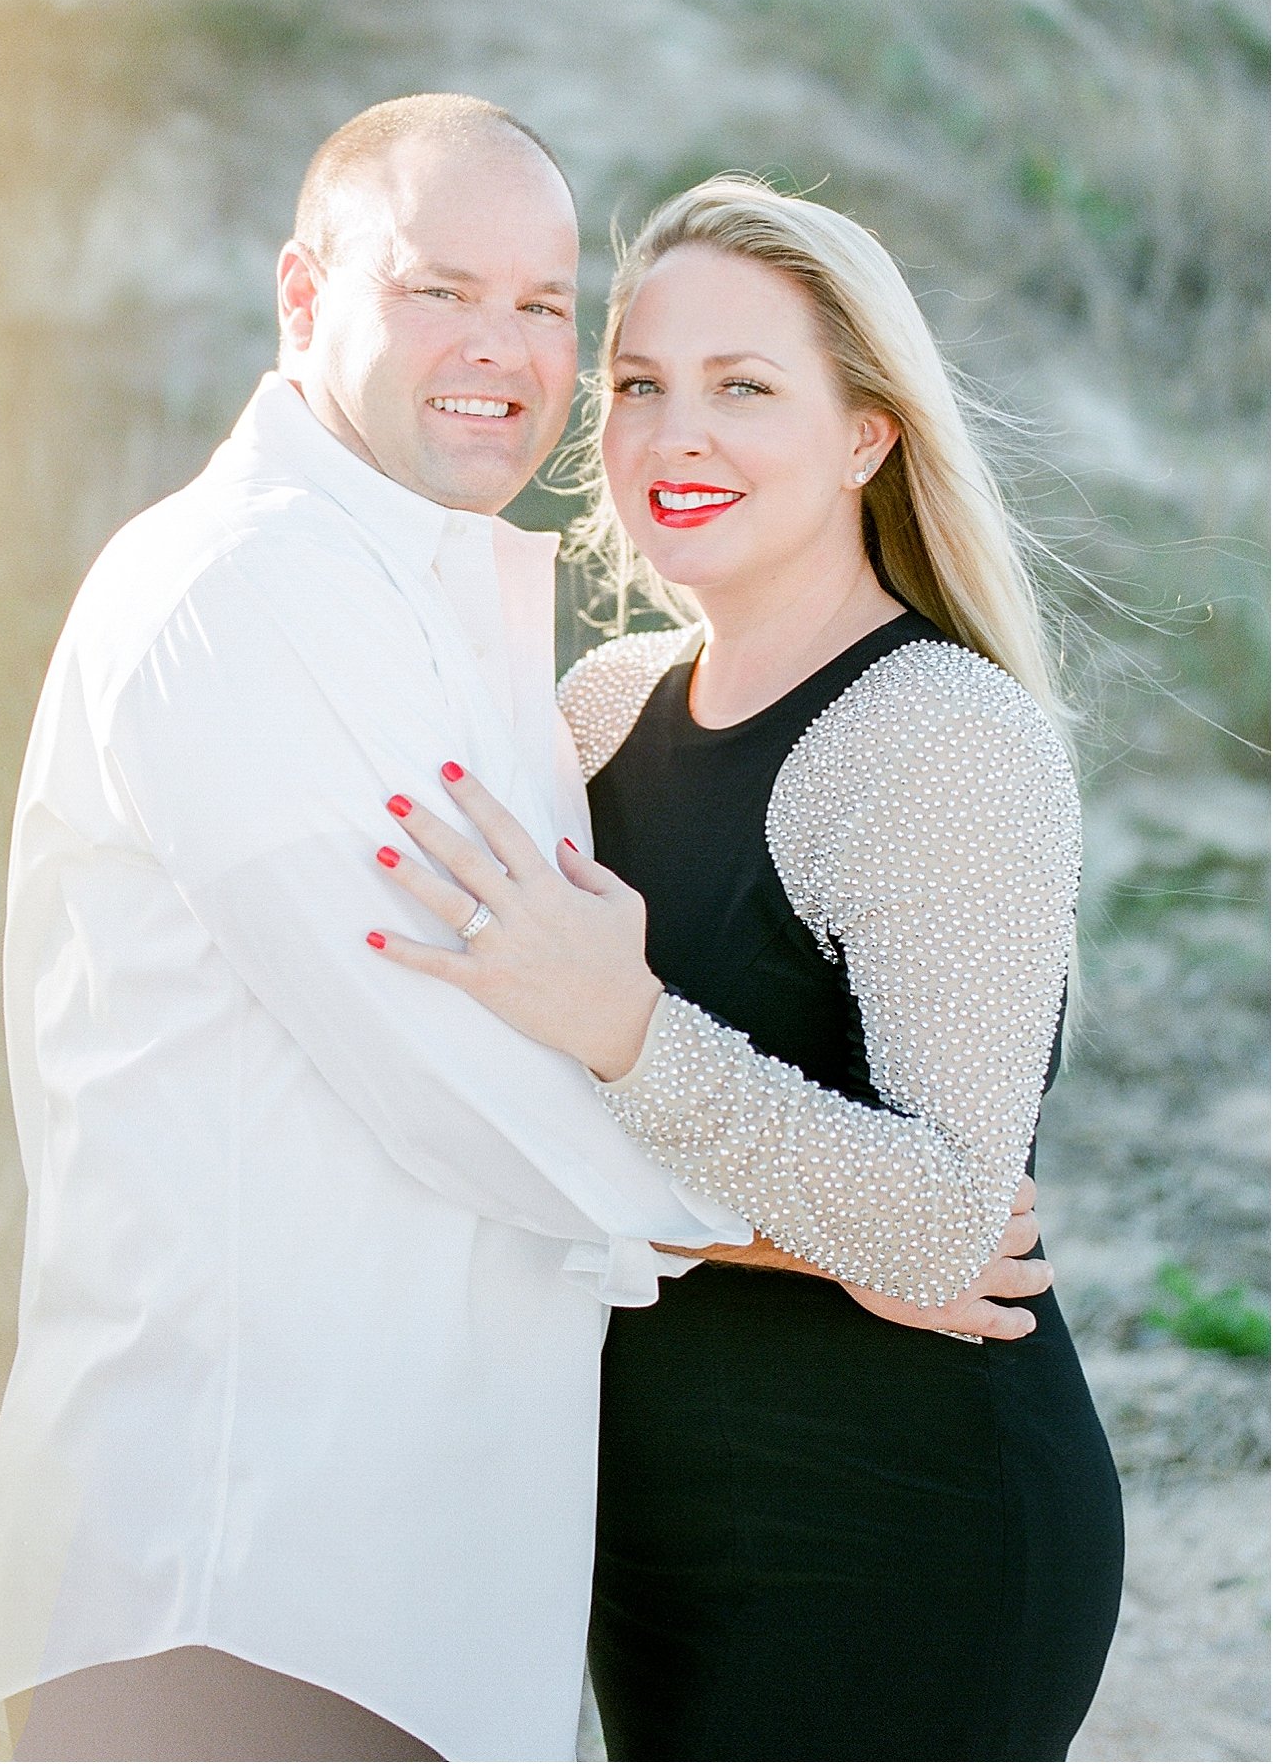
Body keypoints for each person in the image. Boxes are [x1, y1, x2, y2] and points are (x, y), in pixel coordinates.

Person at [0, 99, 1050, 1764]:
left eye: (548, 308)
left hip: (770, 1541)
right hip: (250, 1560)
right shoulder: (262, 604)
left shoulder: (506, 635)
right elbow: (460, 1088)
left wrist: (888, 1207)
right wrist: (853, 1226)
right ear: (301, 294)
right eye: (438, 290)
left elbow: (618, 1064)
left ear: (868, 433)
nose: (508, 351)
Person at [371, 176, 1125, 1762]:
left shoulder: (941, 738)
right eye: (640, 386)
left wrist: (628, 1033)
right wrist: (774, 1230)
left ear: (867, 434)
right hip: (655, 1541)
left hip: (906, 1532)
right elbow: (510, 1121)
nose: (672, 435)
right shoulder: (600, 705)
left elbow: (939, 1220)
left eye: (745, 388)